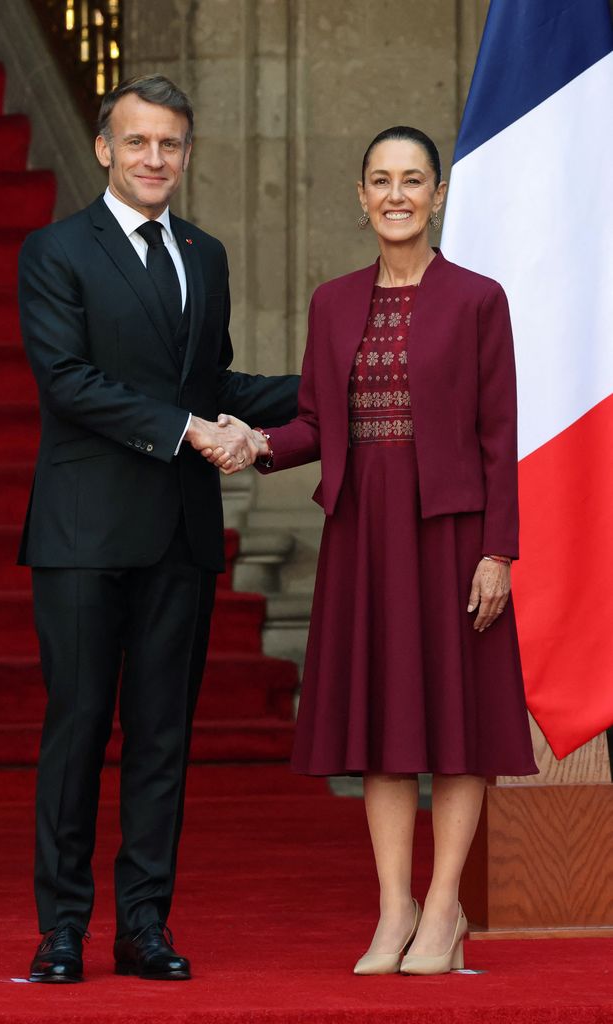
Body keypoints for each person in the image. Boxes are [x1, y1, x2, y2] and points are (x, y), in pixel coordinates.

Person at [214, 126, 537, 975]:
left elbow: (499, 437)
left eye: (412, 180)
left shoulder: (478, 299)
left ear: (436, 196)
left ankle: (443, 908)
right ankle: (393, 906)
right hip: (364, 535)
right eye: (380, 181)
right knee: (382, 724)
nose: (395, 195)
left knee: (456, 728)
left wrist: (497, 550)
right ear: (360, 198)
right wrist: (256, 445)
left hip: (454, 536)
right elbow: (319, 423)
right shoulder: (331, 302)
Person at [18, 73, 297, 984]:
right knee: (78, 729)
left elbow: (208, 386)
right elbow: (69, 383)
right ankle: (61, 927)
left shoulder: (205, 256)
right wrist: (191, 431)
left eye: (169, 144)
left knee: (163, 739)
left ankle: (143, 925)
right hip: (83, 535)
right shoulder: (55, 251)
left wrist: (335, 377)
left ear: (186, 152)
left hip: (178, 533)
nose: (153, 159)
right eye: (136, 142)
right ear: (104, 149)